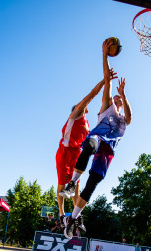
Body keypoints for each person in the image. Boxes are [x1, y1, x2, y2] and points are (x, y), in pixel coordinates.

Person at [61, 40, 132, 239]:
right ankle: (72, 183)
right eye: (116, 97)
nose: (116, 98)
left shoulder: (123, 119)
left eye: (119, 99)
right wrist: (104, 55)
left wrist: (124, 96)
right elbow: (107, 83)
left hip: (108, 150)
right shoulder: (107, 106)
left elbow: (130, 117)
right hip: (98, 138)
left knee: (93, 182)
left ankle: (72, 218)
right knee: (90, 145)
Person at [56, 70, 117, 230]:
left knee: (75, 187)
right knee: (62, 184)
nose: (85, 106)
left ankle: (76, 217)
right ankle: (62, 215)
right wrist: (105, 80)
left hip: (76, 151)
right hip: (65, 150)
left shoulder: (87, 123)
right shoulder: (76, 113)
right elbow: (92, 94)